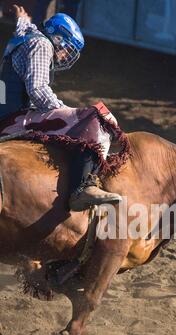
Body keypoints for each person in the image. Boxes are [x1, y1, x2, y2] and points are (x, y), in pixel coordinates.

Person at [0, 4, 121, 211]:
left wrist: (22, 19)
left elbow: (24, 28)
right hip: (15, 118)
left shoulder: (28, 37)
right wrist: (64, 109)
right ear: (57, 38)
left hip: (8, 113)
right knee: (94, 116)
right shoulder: (42, 45)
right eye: (68, 48)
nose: (65, 55)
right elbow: (37, 90)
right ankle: (82, 187)